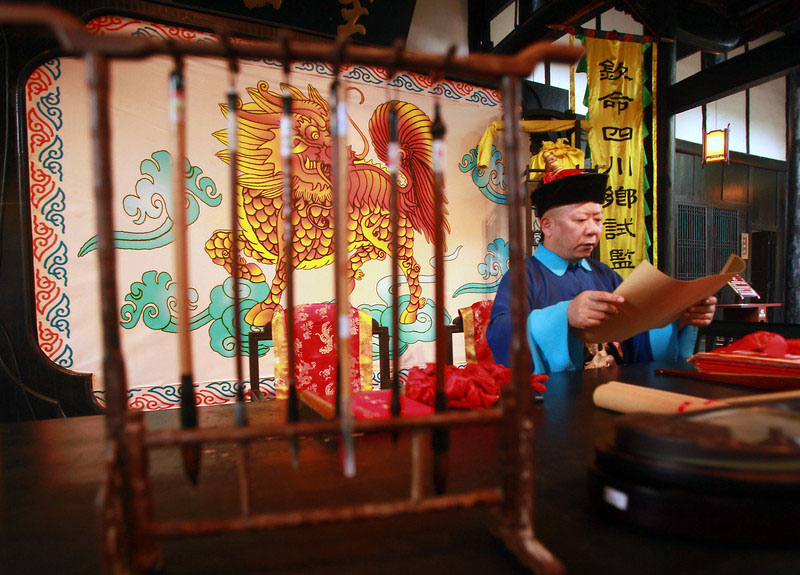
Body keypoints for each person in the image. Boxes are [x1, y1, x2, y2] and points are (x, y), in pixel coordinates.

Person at [486, 154, 717, 374]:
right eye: (580, 220)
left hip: (614, 390)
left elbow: (636, 334)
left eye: (598, 220)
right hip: (556, 396)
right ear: (547, 226)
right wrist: (565, 315)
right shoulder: (523, 277)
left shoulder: (604, 274)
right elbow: (500, 335)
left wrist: (679, 320)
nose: (592, 230)